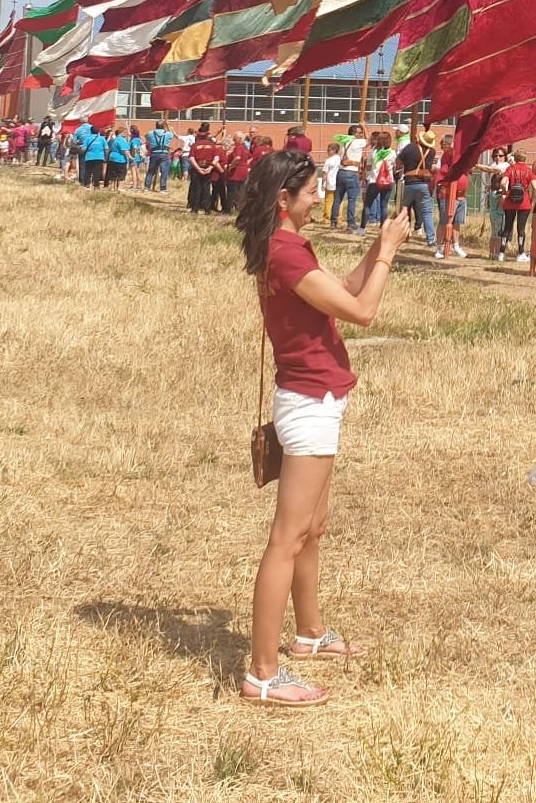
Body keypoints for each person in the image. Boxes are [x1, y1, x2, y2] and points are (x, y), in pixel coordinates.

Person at [234, 147, 413, 708]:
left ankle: (308, 634)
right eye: (311, 192)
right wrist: (384, 257)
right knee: (287, 538)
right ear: (283, 200)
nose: (320, 198)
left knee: (313, 528)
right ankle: (263, 673)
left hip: (318, 397)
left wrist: (373, 251)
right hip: (309, 402)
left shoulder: (288, 247)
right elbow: (362, 312)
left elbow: (337, 295)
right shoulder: (285, 253)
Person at [396, 127, 439, 249]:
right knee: (427, 212)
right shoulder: (432, 152)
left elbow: (399, 160)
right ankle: (430, 238)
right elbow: (430, 168)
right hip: (423, 184)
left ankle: (401, 234)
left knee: (404, 210)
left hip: (409, 183)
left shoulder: (410, 148)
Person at [498, 149, 536, 262]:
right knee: (521, 228)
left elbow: (502, 182)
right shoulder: (529, 171)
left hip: (510, 200)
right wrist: (532, 200)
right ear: (525, 159)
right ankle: (520, 252)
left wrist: (505, 192)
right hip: (524, 201)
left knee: (507, 227)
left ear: (516, 158)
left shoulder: (511, 168)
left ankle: (501, 252)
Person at [332, 125, 366, 233]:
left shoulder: (344, 143)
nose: (361, 135)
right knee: (352, 199)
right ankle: (350, 223)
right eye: (359, 132)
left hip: (341, 172)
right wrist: (364, 127)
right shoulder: (357, 142)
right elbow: (369, 140)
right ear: (354, 133)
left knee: (338, 198)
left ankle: (333, 221)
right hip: (352, 172)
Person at [144, 121, 174, 193]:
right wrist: (168, 125)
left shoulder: (150, 133)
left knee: (151, 171)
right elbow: (172, 135)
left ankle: (147, 187)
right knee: (164, 171)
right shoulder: (167, 133)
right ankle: (163, 188)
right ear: (164, 126)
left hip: (154, 153)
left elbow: (146, 137)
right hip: (164, 154)